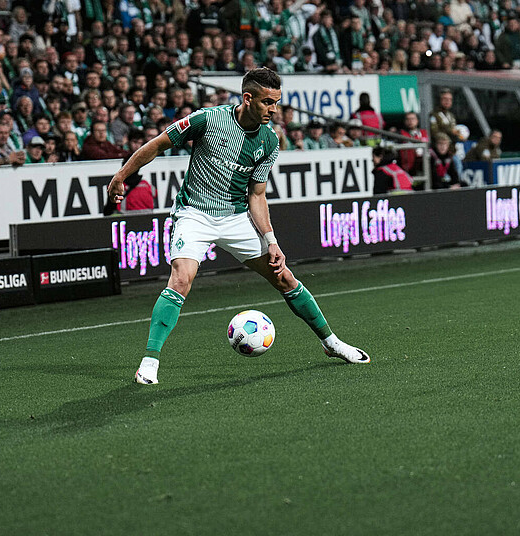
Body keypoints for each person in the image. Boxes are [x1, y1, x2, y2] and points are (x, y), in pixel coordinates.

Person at [107, 68, 369, 385]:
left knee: (285, 277)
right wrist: (122, 175)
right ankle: (149, 362)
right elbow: (157, 144)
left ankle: (331, 343)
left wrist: (272, 241)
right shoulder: (207, 120)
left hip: (235, 218)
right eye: (268, 102)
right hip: (194, 213)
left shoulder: (270, 141)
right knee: (181, 279)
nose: (274, 110)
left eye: (277, 103)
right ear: (248, 98)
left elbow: (257, 195)